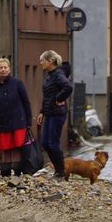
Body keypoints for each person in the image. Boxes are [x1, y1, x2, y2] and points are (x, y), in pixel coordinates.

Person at [0, 58, 32, 177]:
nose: (3, 70)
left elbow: (26, 103)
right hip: (1, 123)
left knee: (17, 149)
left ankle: (18, 174)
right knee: (4, 149)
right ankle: (5, 173)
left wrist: (28, 121)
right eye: (0, 68)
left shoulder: (17, 83)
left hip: (18, 122)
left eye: (5, 67)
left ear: (9, 69)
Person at [37, 50, 73, 179]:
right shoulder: (50, 75)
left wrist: (59, 99)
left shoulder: (58, 74)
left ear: (50, 61)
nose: (41, 63)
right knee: (45, 143)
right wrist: (42, 112)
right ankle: (58, 170)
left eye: (43, 61)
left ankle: (60, 172)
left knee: (52, 142)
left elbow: (68, 87)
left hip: (58, 113)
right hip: (49, 112)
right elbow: (47, 96)